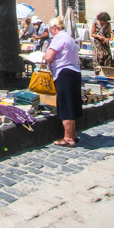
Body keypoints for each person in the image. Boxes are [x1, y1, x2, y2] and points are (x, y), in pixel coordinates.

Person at [43, 16, 82, 147]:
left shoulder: (59, 38)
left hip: (63, 73)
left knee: (65, 104)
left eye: (50, 29)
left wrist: (43, 55)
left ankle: (68, 138)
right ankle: (73, 134)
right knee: (72, 104)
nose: (50, 31)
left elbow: (49, 57)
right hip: (74, 72)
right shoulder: (69, 38)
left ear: (54, 28)